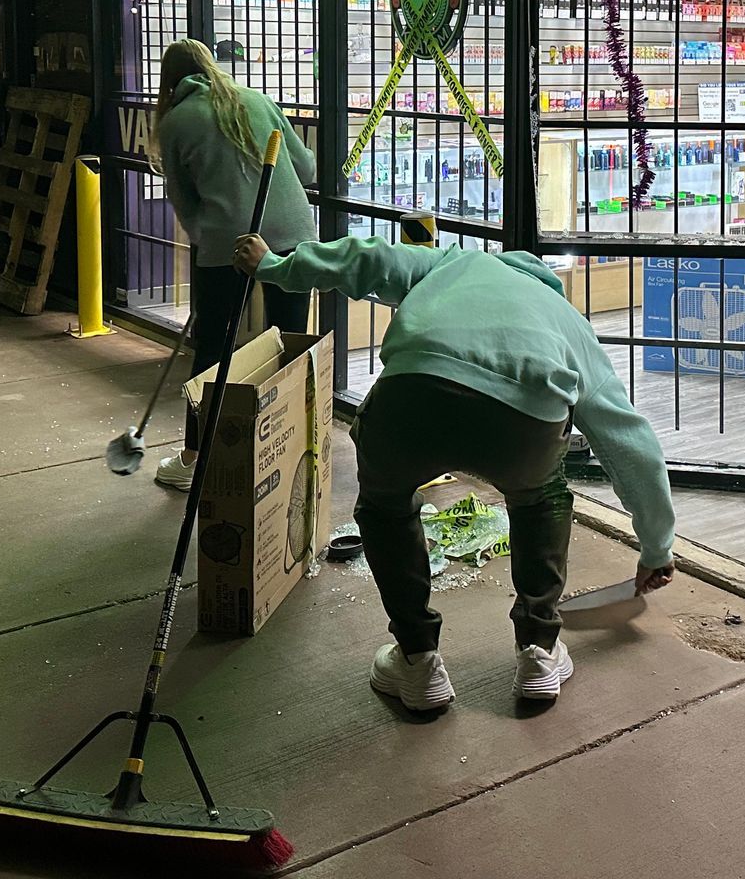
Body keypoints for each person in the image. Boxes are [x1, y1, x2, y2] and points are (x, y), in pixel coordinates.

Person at [232, 225, 676, 711]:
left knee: (385, 506)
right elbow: (629, 442)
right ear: (547, 283)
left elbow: (364, 258)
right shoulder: (566, 318)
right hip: (522, 423)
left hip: (415, 393)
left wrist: (274, 266)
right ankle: (538, 653)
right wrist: (656, 547)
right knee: (540, 498)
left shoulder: (454, 262)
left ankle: (418, 662)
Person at [150, 38, 316, 489]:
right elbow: (306, 168)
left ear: (170, 81)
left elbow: (186, 206)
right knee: (291, 343)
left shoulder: (174, 122)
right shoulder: (259, 101)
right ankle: (295, 449)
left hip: (228, 243)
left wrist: (212, 250)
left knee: (212, 349)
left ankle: (194, 458)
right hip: (292, 236)